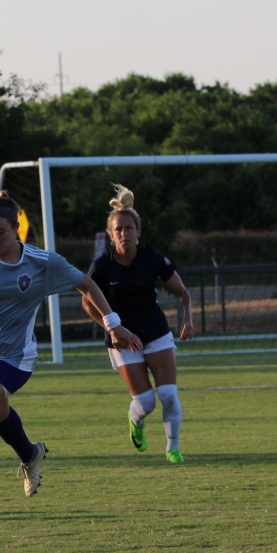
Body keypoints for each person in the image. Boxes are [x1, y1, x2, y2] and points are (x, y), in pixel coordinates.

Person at [0, 192, 142, 511]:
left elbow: (87, 284)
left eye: (0, 232)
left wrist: (113, 324)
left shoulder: (41, 262)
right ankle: (31, 454)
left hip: (14, 357)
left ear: (16, 227)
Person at [83, 184, 193, 463]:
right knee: (146, 402)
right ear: (111, 235)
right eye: (118, 229)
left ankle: (173, 448)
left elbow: (182, 292)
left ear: (138, 231)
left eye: (129, 228)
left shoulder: (151, 258)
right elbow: (87, 302)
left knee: (168, 395)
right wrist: (111, 328)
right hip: (122, 338)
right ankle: (136, 420)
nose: (124, 233)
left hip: (155, 331)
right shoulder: (102, 266)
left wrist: (188, 318)